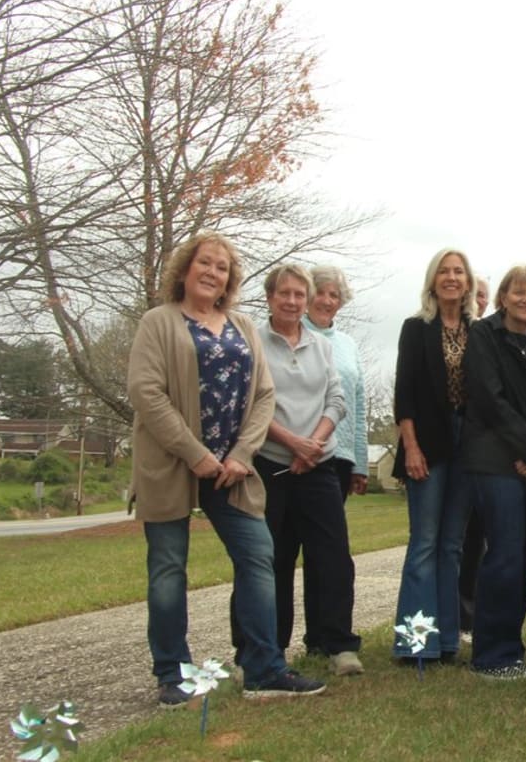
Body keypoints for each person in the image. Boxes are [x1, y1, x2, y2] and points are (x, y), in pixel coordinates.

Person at [127, 233, 324, 705]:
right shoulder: (159, 322)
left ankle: (263, 668)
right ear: (185, 269)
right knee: (169, 569)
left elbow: (263, 395)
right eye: (205, 263)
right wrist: (194, 453)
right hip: (173, 464)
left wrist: (242, 453)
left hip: (232, 470)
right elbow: (145, 393)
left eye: (222, 267)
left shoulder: (241, 325)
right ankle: (172, 673)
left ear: (230, 280)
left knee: (258, 556)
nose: (212, 272)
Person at [254, 264, 363, 675]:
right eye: (285, 293)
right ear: (269, 297)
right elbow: (249, 406)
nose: (293, 301)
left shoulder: (321, 346)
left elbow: (337, 399)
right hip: (271, 463)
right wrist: (293, 443)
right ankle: (264, 648)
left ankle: (339, 644)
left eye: (299, 294)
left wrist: (314, 442)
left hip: (319, 462)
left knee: (333, 556)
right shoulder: (254, 342)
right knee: (270, 559)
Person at [463, 265, 526, 679]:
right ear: (503, 296)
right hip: (494, 459)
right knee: (503, 554)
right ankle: (491, 656)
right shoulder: (483, 334)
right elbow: (489, 399)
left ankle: (510, 646)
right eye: (520, 292)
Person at [391, 249, 477, 663]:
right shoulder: (415, 327)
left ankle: (446, 640)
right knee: (424, 542)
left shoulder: (479, 330)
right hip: (426, 440)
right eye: (444, 270)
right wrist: (410, 446)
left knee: (453, 545)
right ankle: (415, 641)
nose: (451, 277)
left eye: (458, 271)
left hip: (469, 443)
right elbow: (404, 391)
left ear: (468, 281)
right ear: (432, 279)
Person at [303, 266, 369, 498]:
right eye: (320, 292)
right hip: (299, 451)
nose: (326, 301)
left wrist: (360, 463)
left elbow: (358, 406)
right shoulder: (291, 333)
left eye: (334, 295)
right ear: (307, 295)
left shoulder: (348, 345)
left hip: (341, 457)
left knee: (329, 534)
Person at [458, 275, 492, 641]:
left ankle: (468, 615)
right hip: (451, 447)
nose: (477, 299)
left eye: (483, 294)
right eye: (474, 293)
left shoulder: (488, 335)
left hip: (483, 451)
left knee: (476, 541)